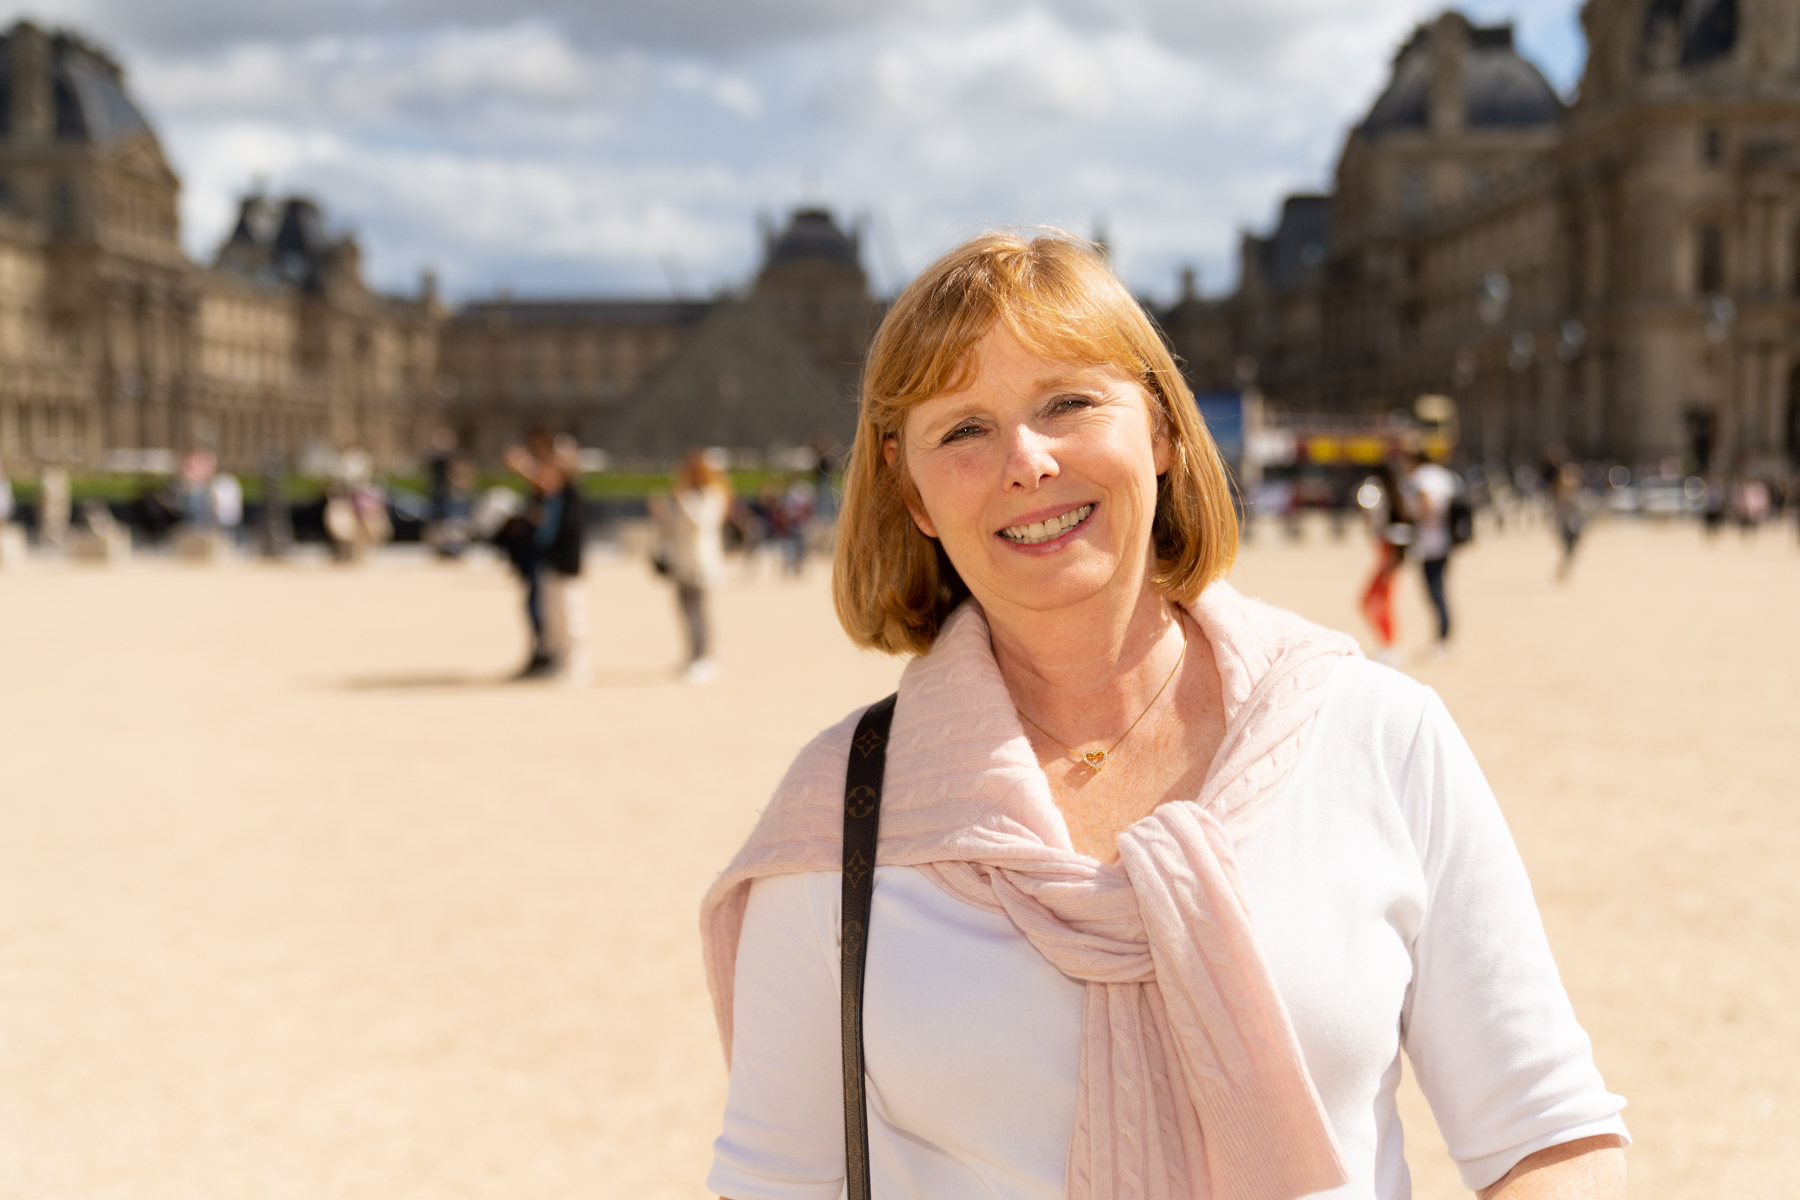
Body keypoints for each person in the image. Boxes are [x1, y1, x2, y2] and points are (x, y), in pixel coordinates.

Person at [701, 231, 1627, 1200]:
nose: (1026, 461)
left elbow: (1548, 1137)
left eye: (1067, 402)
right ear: (912, 493)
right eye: (964, 429)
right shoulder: (839, 818)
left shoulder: (1376, 736)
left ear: (1162, 430)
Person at [505, 431, 587, 684]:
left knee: (570, 618)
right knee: (552, 619)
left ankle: (577, 667)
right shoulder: (550, 497)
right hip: (548, 561)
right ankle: (558, 661)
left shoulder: (569, 495)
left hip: (564, 564)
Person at [657, 449, 729, 683]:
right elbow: (671, 529)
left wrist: (684, 500)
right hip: (682, 563)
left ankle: (704, 657)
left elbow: (702, 523)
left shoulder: (712, 494)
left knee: (699, 613)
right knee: (685, 613)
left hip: (701, 564)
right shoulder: (683, 497)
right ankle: (692, 655)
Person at [1355, 463, 1412, 666]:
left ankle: (1391, 645)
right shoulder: (1395, 497)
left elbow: (1369, 512)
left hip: (1388, 553)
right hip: (1388, 553)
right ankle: (1389, 644)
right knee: (1381, 601)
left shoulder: (1380, 495)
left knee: (1374, 601)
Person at [1407, 447, 1458, 655]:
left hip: (1430, 540)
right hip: (1447, 538)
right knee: (1441, 588)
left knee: (1434, 590)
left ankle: (1441, 640)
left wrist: (1416, 519)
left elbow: (1426, 501)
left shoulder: (1421, 476)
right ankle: (1445, 637)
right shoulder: (1443, 474)